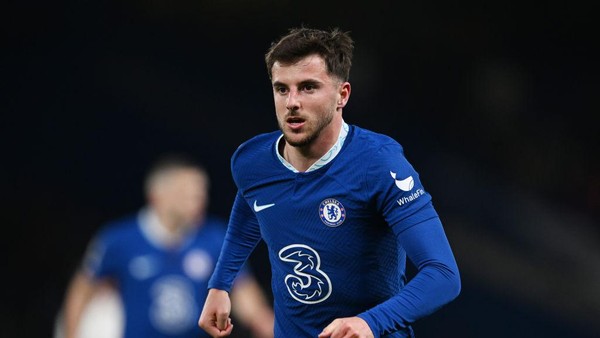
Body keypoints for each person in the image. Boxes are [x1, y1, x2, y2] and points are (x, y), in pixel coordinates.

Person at [198, 26, 461, 338]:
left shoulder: (379, 165)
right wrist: (221, 284)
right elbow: (249, 207)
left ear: (342, 95)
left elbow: (443, 275)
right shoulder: (251, 161)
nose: (292, 102)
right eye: (282, 89)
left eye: (308, 88)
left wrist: (370, 323)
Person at [60, 154, 274, 338]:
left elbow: (241, 290)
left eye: (201, 193)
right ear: (157, 196)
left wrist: (262, 321)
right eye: (188, 193)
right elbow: (83, 288)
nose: (199, 200)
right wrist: (71, 333)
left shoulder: (216, 238)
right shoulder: (118, 239)